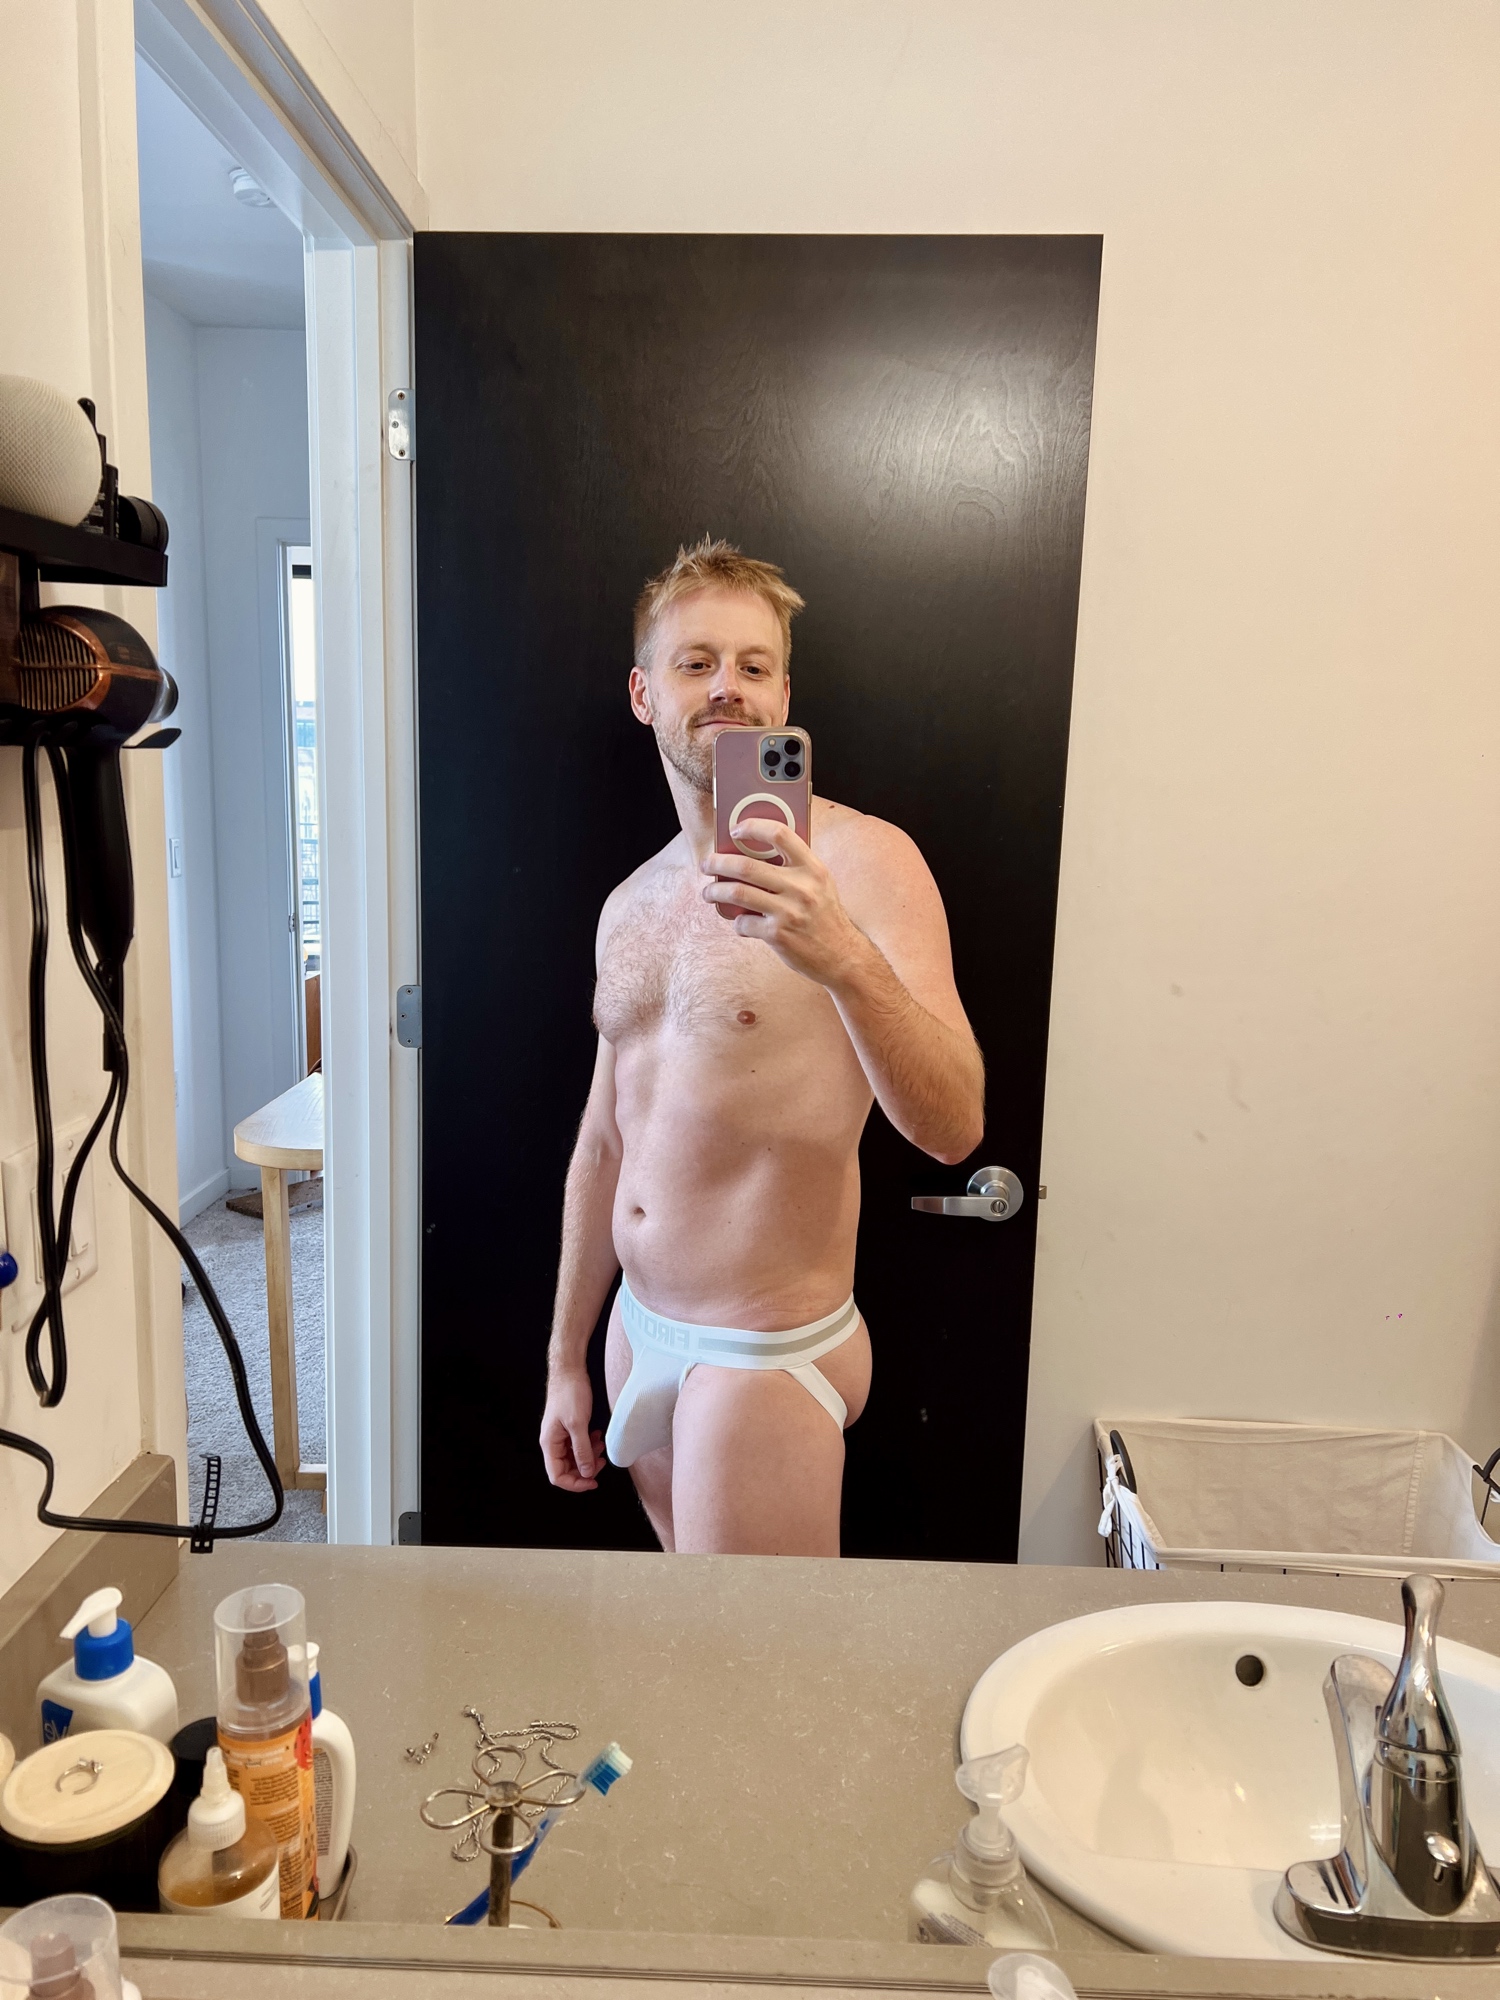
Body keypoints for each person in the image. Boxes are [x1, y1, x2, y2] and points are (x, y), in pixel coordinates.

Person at [538, 538, 984, 1555]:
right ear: (645, 693)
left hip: (761, 1356)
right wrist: (567, 1353)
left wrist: (843, 957)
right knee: (685, 1629)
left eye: (752, 664)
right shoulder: (630, 904)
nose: (726, 688)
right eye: (696, 662)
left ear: (784, 694)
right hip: (637, 1332)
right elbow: (605, 1139)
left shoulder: (866, 865)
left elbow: (956, 1125)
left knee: (743, 1651)